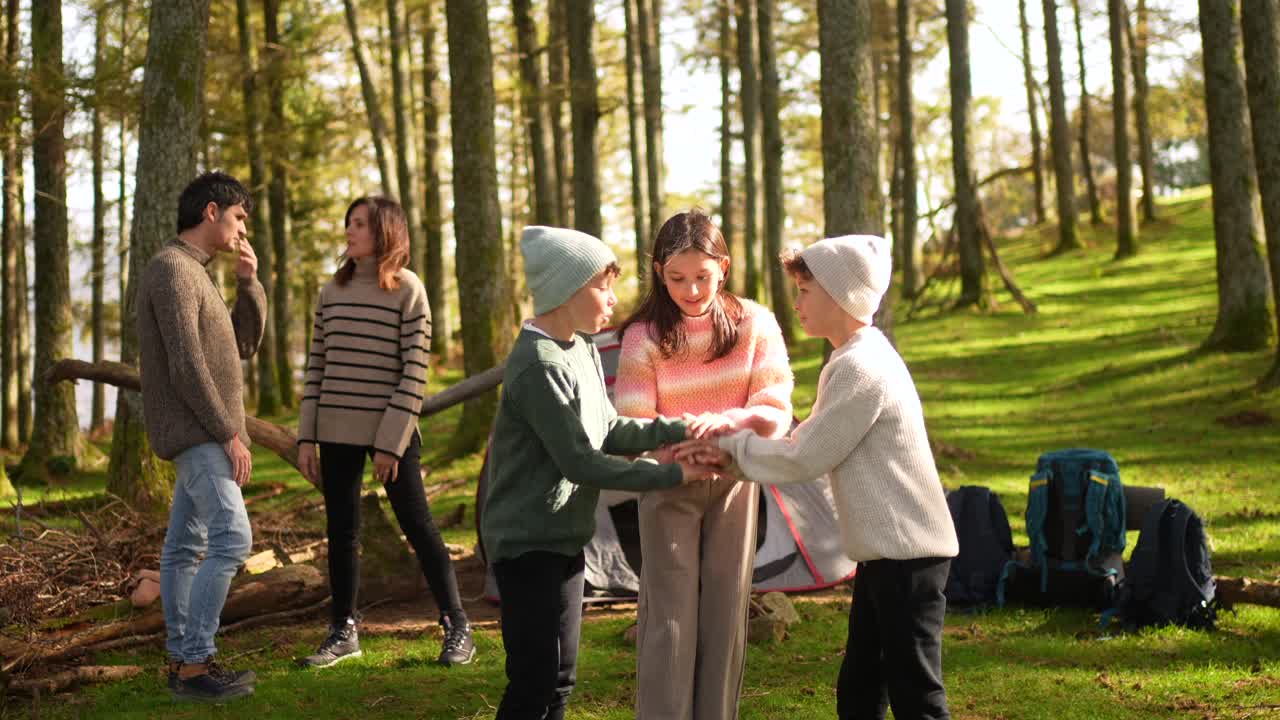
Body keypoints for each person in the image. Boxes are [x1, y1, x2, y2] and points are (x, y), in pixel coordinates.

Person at [678, 235, 959, 720]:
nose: (798, 303)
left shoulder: (862, 368)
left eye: (806, 291)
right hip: (885, 556)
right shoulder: (852, 359)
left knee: (917, 694)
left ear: (840, 294)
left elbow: (805, 457)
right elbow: (807, 437)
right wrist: (736, 432)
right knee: (860, 689)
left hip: (908, 557)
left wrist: (728, 453)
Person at [481, 225, 719, 720]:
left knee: (562, 677)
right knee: (533, 681)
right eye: (602, 286)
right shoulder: (538, 365)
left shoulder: (582, 347)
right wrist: (673, 476)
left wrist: (678, 428)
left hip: (566, 540)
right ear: (566, 290)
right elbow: (581, 462)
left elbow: (607, 429)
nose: (613, 300)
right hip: (526, 546)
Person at [614, 210, 793, 720]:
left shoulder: (756, 323)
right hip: (668, 483)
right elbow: (632, 422)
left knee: (725, 615)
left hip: (736, 485)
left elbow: (775, 408)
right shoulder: (641, 336)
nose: (691, 290)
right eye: (677, 279)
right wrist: (680, 448)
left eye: (702, 277)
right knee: (668, 618)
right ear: (657, 271)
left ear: (725, 268)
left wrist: (721, 429)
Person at [296, 196, 474, 668]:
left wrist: (390, 443)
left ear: (384, 232)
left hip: (388, 437)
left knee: (418, 526)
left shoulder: (409, 290)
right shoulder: (330, 292)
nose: (349, 231)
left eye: (358, 224)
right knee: (341, 532)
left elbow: (414, 373)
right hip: (334, 431)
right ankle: (343, 629)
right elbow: (317, 367)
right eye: (348, 223)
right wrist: (305, 437)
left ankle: (458, 624)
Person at [138, 171, 265, 703]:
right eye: (237, 217)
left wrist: (248, 283)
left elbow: (242, 345)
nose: (241, 229)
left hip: (201, 431)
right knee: (233, 539)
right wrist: (229, 433)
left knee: (184, 546)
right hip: (197, 432)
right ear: (211, 212)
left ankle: (181, 659)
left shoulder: (198, 272)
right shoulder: (172, 270)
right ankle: (194, 662)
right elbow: (188, 369)